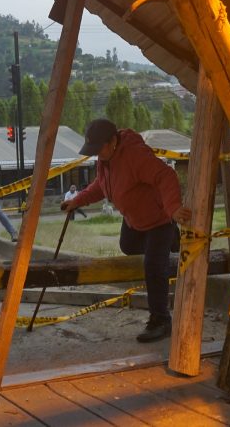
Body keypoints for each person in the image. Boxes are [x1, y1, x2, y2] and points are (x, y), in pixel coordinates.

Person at [61, 119, 191, 342]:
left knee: (153, 266)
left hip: (159, 220)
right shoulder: (105, 160)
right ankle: (169, 244)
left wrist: (173, 209)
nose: (96, 155)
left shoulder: (134, 155)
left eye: (98, 149)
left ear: (113, 141)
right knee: (127, 246)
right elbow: (101, 186)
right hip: (134, 220)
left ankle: (161, 320)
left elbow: (165, 176)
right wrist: (77, 201)